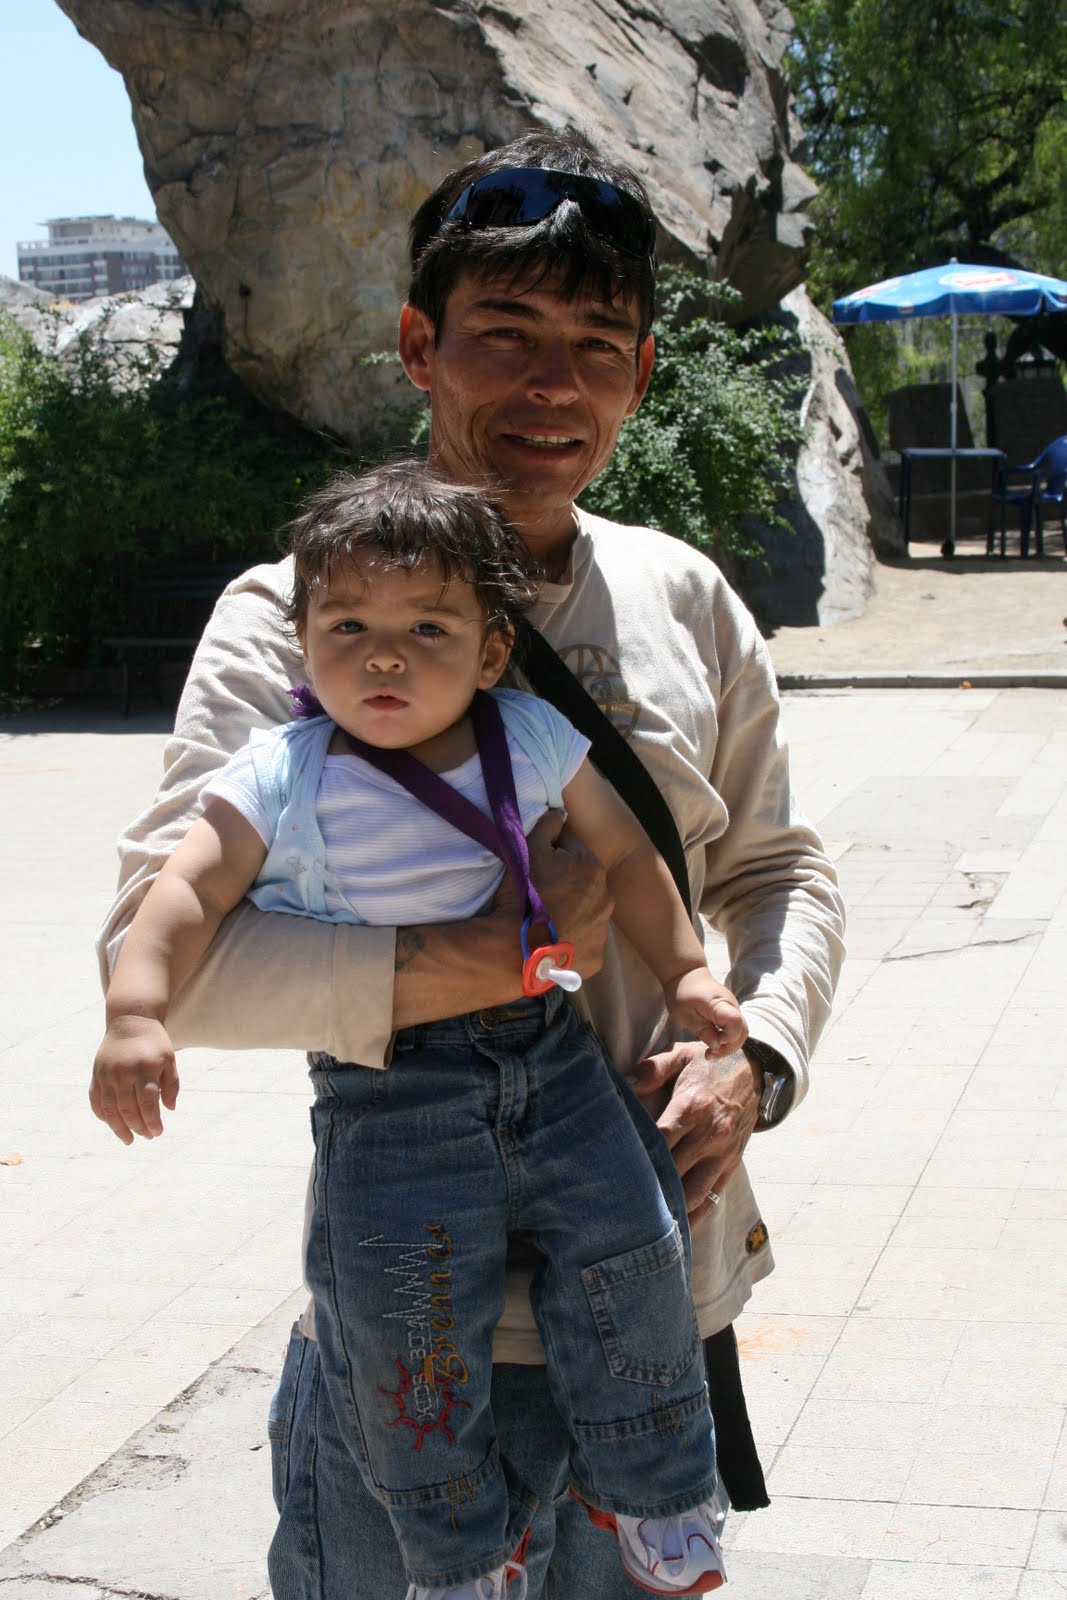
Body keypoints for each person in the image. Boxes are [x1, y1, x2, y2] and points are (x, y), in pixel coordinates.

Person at [94, 128, 845, 1600]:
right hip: (421, 1346)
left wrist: (751, 1048)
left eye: (596, 344)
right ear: (418, 346)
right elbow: (171, 956)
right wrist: (484, 966)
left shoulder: (682, 597)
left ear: (638, 373)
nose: (551, 387)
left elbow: (776, 872)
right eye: (503, 336)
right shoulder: (288, 626)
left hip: (656, 1303)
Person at [92, 462, 744, 1598]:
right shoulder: (280, 776)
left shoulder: (530, 737)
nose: (383, 655)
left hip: (553, 1060)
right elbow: (181, 895)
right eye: (347, 624)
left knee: (633, 1242)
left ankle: (656, 1489)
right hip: (388, 1096)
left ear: (491, 651)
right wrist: (136, 1013)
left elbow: (630, 855)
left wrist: (687, 967)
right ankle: (452, 1556)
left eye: (426, 627)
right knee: (405, 1322)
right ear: (302, 641)